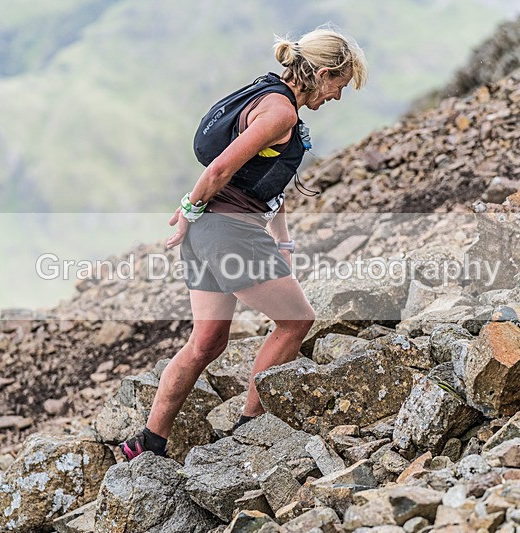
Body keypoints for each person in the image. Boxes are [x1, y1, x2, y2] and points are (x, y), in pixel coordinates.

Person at [120, 26, 367, 460]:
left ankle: (147, 443)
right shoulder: (281, 113)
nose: (338, 96)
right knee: (296, 322)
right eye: (340, 85)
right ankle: (248, 434)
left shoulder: (266, 92)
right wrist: (188, 209)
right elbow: (219, 170)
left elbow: (265, 182)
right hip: (228, 232)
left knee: (206, 343)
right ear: (323, 73)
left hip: (208, 234)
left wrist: (282, 242)